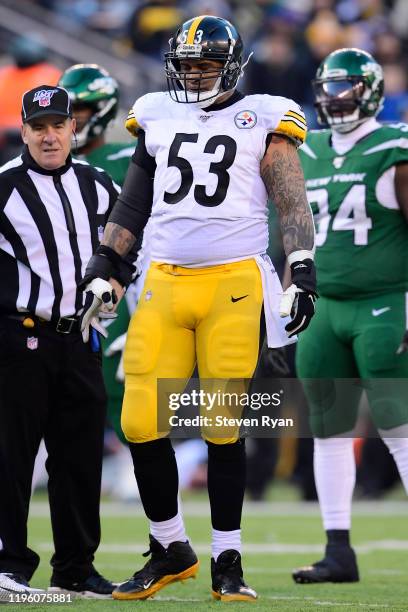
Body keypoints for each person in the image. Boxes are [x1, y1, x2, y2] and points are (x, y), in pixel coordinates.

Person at [79, 15, 317, 601]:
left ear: (232, 65)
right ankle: (170, 547)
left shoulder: (262, 114)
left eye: (207, 64)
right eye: (188, 66)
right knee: (139, 418)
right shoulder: (158, 113)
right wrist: (106, 267)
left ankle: (228, 560)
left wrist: (302, 267)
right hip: (164, 278)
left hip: (233, 281)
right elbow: (134, 202)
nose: (197, 74)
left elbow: (290, 199)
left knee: (220, 421)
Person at [0, 85, 134, 599]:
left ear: (74, 128)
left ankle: (75, 568)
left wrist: (114, 286)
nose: (50, 135)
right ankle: (8, 564)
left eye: (59, 125)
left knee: (79, 460)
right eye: (39, 127)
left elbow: (126, 250)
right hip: (19, 337)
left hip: (80, 337)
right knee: (12, 457)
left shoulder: (98, 184)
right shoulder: (6, 187)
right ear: (25, 130)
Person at [292, 48, 408, 584]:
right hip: (325, 306)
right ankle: (337, 550)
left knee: (399, 426)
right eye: (329, 87)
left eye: (347, 88)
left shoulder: (393, 146)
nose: (336, 98)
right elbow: (293, 235)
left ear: (371, 91)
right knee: (328, 430)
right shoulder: (307, 149)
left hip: (384, 301)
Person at [59, 63, 135, 444]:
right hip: (59, 289)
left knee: (119, 390)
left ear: (102, 110)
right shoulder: (49, 162)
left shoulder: (129, 158)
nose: (70, 122)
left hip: (118, 289)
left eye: (80, 112)